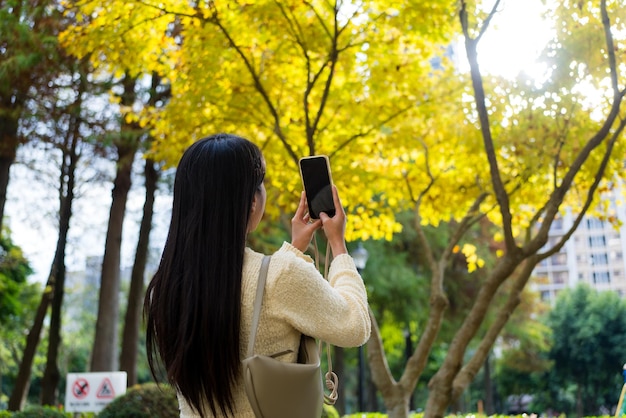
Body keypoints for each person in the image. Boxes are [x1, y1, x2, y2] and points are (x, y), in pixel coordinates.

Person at [144, 133, 371, 418]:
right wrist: (338, 245)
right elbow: (355, 325)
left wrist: (294, 249)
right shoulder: (283, 275)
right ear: (252, 201)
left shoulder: (166, 287)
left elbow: (247, 289)